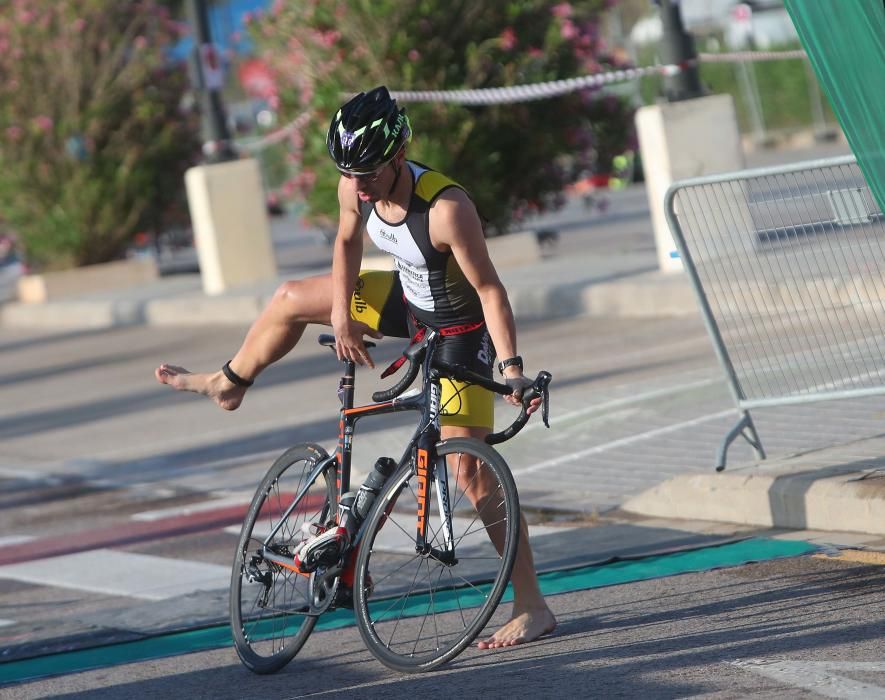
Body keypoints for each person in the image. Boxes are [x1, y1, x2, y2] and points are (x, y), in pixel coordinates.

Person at [155, 86, 556, 649]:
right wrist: (343, 317)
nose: (358, 185)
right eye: (350, 173)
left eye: (368, 172)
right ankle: (230, 381)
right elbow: (345, 244)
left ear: (398, 155)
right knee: (291, 297)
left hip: (462, 331)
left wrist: (512, 367)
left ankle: (532, 604)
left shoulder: (447, 209)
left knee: (472, 473)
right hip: (408, 303)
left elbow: (491, 289)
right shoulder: (354, 183)